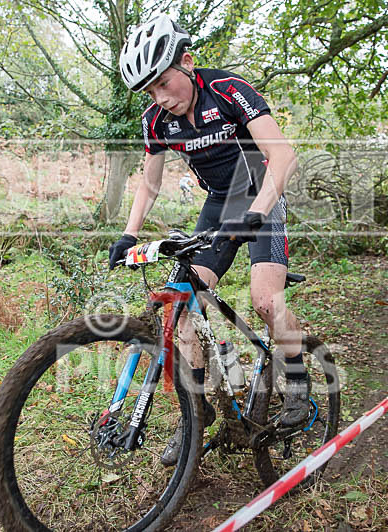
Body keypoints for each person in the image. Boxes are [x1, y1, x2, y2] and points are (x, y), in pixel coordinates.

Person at [108, 14, 307, 465]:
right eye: (149, 91)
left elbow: (283, 155)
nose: (161, 98)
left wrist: (255, 215)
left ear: (188, 62)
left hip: (262, 194)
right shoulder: (156, 121)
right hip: (220, 203)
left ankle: (296, 381)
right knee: (182, 305)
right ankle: (195, 415)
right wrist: (128, 233)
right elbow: (149, 183)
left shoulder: (229, 91)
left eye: (164, 83)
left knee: (265, 301)